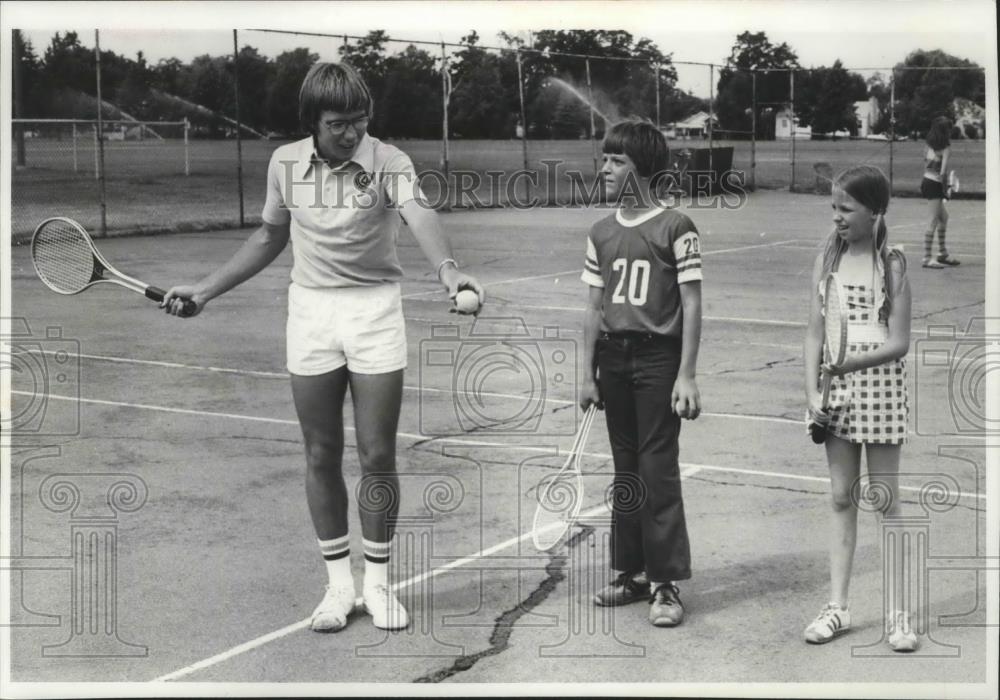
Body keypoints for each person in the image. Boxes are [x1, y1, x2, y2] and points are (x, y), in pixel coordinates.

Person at [162, 62, 484, 633]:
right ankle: (338, 587)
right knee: (320, 452)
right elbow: (269, 236)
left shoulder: (389, 162)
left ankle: (380, 587)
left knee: (378, 456)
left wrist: (449, 271)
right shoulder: (285, 163)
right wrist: (206, 291)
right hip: (310, 313)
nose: (351, 134)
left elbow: (418, 212)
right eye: (338, 124)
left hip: (374, 311)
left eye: (359, 121)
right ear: (313, 121)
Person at [579, 119, 702, 628]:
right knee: (625, 470)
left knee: (657, 469)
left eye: (617, 161)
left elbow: (693, 305)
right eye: (604, 159)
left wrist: (687, 375)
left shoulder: (676, 226)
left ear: (643, 169)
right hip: (613, 358)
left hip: (657, 360)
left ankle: (665, 582)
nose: (605, 168)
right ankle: (630, 573)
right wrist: (586, 374)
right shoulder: (600, 231)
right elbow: (592, 307)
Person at [803, 165, 916, 652]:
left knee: (886, 503)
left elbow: (899, 343)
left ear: (875, 213)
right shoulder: (825, 259)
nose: (836, 218)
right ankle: (839, 607)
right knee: (840, 498)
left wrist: (847, 364)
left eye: (846, 210)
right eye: (833, 208)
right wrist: (813, 391)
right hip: (837, 397)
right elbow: (812, 334)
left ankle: (898, 614)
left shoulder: (892, 263)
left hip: (881, 390)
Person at [920, 116, 959, 268]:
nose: (950, 131)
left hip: (926, 181)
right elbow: (942, 173)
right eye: (949, 129)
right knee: (933, 221)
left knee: (944, 217)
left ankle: (942, 253)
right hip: (934, 184)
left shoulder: (927, 146)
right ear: (945, 131)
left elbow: (927, 166)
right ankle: (927, 258)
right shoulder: (946, 148)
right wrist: (946, 190)